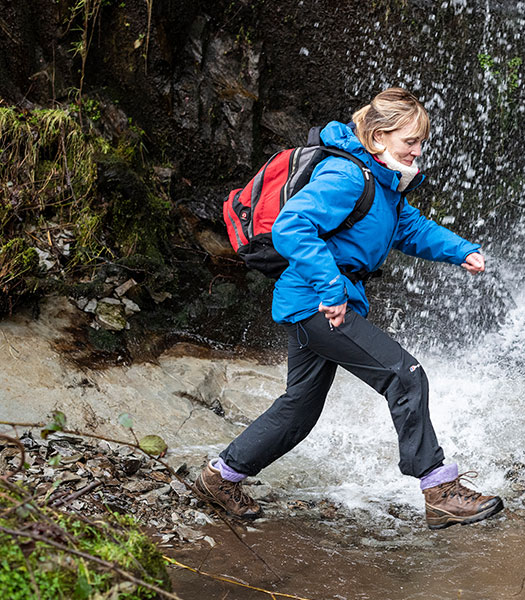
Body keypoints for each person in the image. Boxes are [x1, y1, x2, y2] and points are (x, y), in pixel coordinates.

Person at [193, 87, 503, 530]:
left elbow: (411, 228)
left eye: (421, 142)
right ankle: (439, 490)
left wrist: (461, 251)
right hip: (317, 304)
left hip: (318, 303)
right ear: (378, 137)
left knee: (299, 408)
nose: (418, 151)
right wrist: (331, 289)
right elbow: (292, 225)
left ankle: (220, 477)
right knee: (405, 376)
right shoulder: (347, 176)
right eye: (410, 141)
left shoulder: (383, 183)